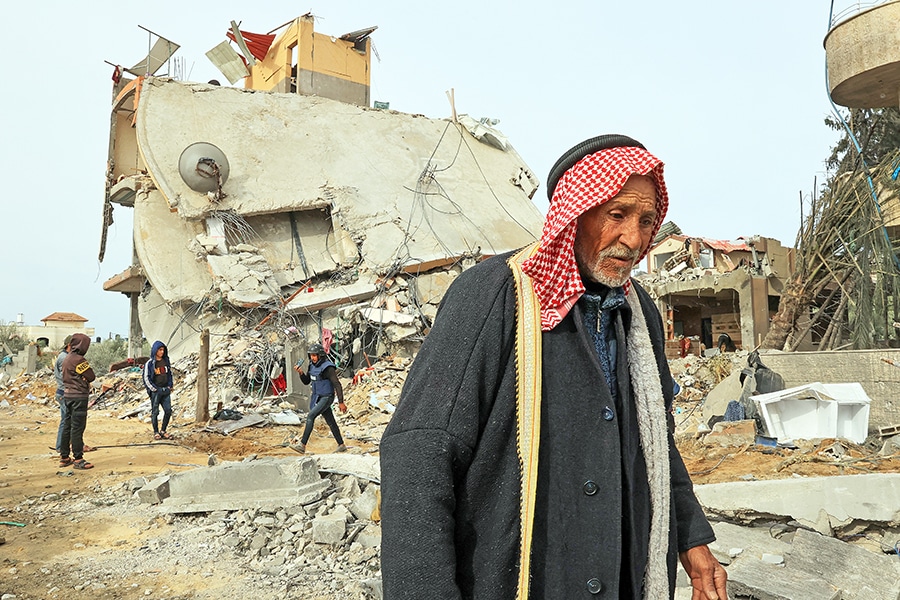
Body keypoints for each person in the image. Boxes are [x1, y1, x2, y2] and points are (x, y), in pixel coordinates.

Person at [380, 134, 728, 599]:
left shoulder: (637, 313)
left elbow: (655, 441)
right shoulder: (494, 296)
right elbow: (419, 456)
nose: (634, 238)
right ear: (575, 213)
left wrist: (691, 538)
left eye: (647, 221)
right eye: (617, 215)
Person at [291, 342, 347, 453]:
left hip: (327, 397)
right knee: (330, 421)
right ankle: (341, 445)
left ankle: (302, 445)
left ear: (320, 355)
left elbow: (337, 384)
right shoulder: (311, 366)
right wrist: (301, 373)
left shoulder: (328, 368)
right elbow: (307, 381)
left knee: (311, 416)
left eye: (314, 355)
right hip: (317, 397)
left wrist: (341, 402)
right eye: (311, 355)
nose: (312, 357)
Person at [60, 333, 96, 470]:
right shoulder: (79, 360)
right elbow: (91, 376)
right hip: (79, 397)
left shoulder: (66, 358)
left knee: (67, 426)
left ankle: (64, 457)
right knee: (77, 428)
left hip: (67, 396)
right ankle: (78, 458)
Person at [143, 341, 174, 440]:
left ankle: (163, 430)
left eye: (163, 350)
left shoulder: (166, 361)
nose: (162, 352)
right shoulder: (150, 364)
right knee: (155, 412)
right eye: (160, 350)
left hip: (165, 390)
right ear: (155, 350)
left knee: (168, 411)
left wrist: (170, 386)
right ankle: (156, 432)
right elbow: (146, 377)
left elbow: (169, 374)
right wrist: (153, 389)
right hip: (156, 391)